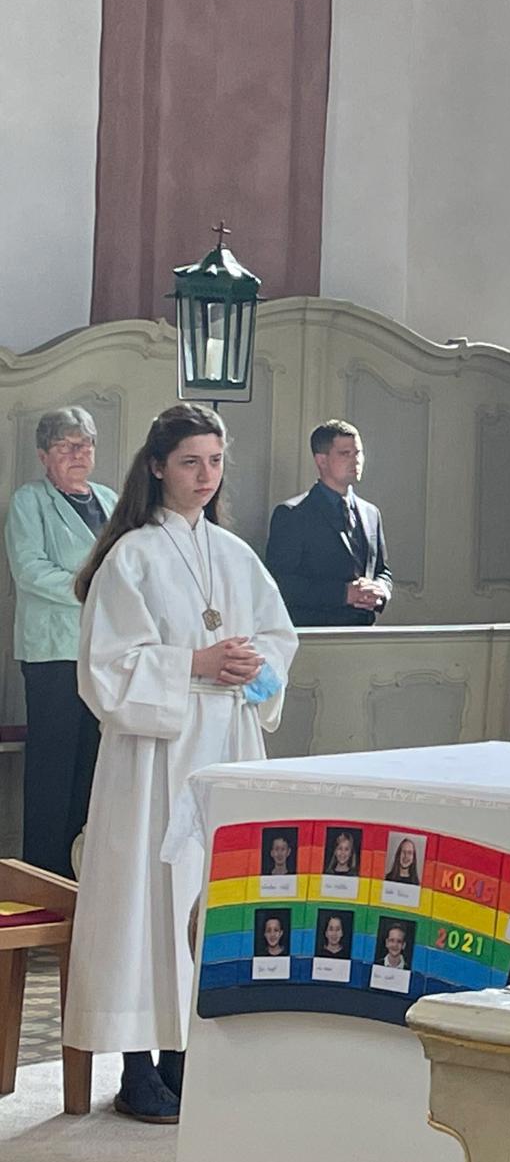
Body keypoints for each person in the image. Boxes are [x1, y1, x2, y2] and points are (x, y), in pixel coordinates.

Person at [66, 403, 297, 1124]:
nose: (205, 476)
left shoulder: (234, 554)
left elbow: (279, 641)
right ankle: (138, 1065)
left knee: (213, 899)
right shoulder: (130, 557)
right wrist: (192, 663)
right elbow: (104, 669)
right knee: (148, 902)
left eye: (216, 461)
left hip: (225, 743)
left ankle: (188, 1056)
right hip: (153, 754)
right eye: (191, 461)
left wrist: (252, 666)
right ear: (158, 466)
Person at [5, 407, 119, 878]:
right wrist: (93, 588)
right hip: (53, 654)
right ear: (43, 455)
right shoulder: (29, 502)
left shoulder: (112, 500)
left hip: (107, 653)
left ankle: (83, 879)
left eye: (85, 445)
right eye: (66, 446)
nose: (78, 454)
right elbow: (30, 572)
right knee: (53, 772)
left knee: (95, 768)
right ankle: (43, 880)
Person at [264, 419, 391, 627]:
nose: (355, 460)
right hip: (317, 634)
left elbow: (383, 571)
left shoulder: (371, 513)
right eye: (345, 454)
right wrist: (344, 594)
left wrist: (380, 590)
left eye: (358, 453)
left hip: (366, 634)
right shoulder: (293, 514)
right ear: (321, 460)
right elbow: (281, 583)